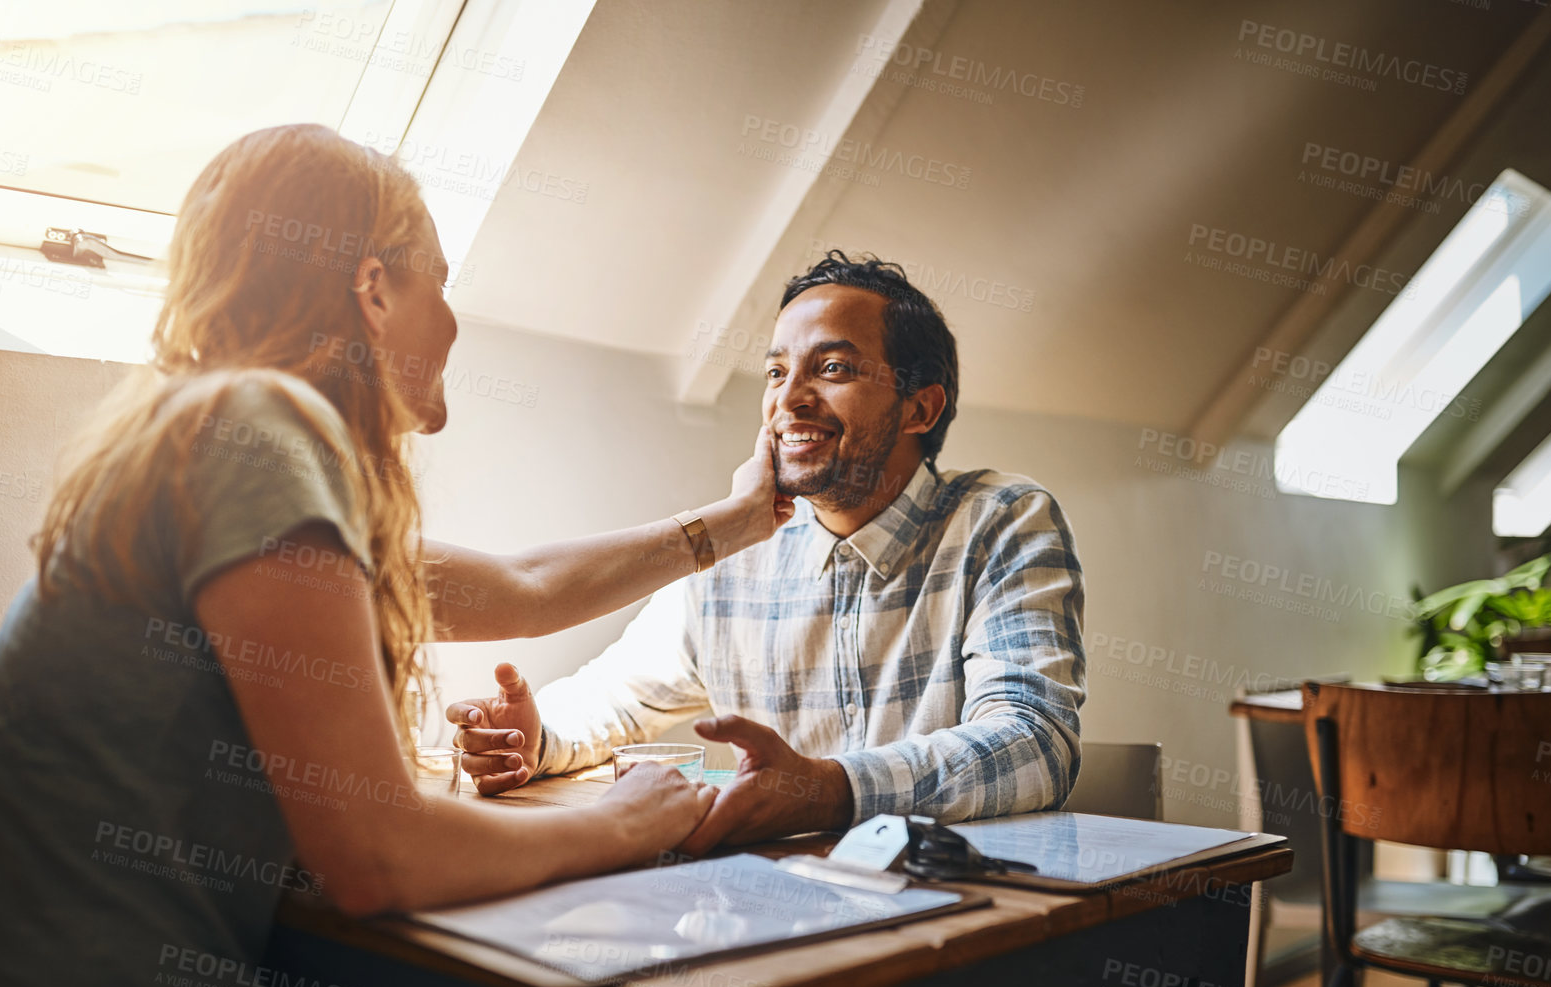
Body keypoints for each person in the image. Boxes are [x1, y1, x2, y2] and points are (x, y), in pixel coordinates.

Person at [0, 124, 793, 987]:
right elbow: (376, 857)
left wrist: (741, 521)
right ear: (372, 288)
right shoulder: (260, 430)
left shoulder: (211, 428)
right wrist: (628, 821)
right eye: (438, 284)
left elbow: (525, 588)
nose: (453, 321)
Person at [451, 252, 1085, 855]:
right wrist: (531, 738)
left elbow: (1033, 743)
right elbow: (618, 699)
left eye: (832, 369)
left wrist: (826, 791)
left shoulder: (1000, 520)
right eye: (778, 372)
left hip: (961, 917)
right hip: (773, 913)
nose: (790, 399)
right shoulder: (735, 557)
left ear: (921, 407)